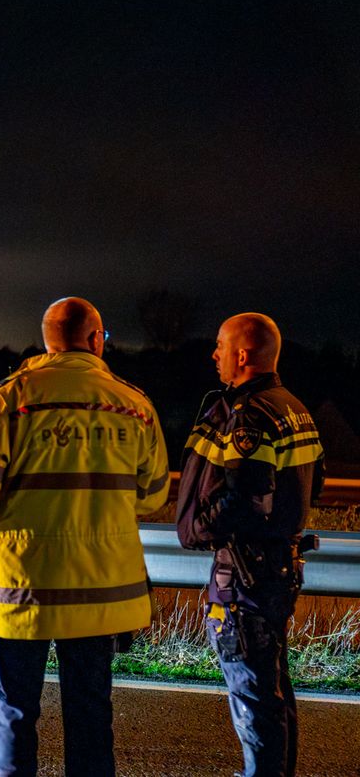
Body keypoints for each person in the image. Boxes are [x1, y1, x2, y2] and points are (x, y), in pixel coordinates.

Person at [0, 297, 170, 777]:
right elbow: (151, 495)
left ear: (48, 341)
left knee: (14, 720)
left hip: (18, 594)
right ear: (95, 339)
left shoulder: (9, 399)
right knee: (90, 721)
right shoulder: (136, 407)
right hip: (99, 597)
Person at [176, 313, 324, 777]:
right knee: (275, 693)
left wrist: (197, 527)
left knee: (255, 700)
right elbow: (311, 486)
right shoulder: (294, 407)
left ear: (243, 354)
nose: (214, 353)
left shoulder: (252, 415)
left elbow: (246, 499)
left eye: (221, 345)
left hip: (246, 578)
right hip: (279, 568)